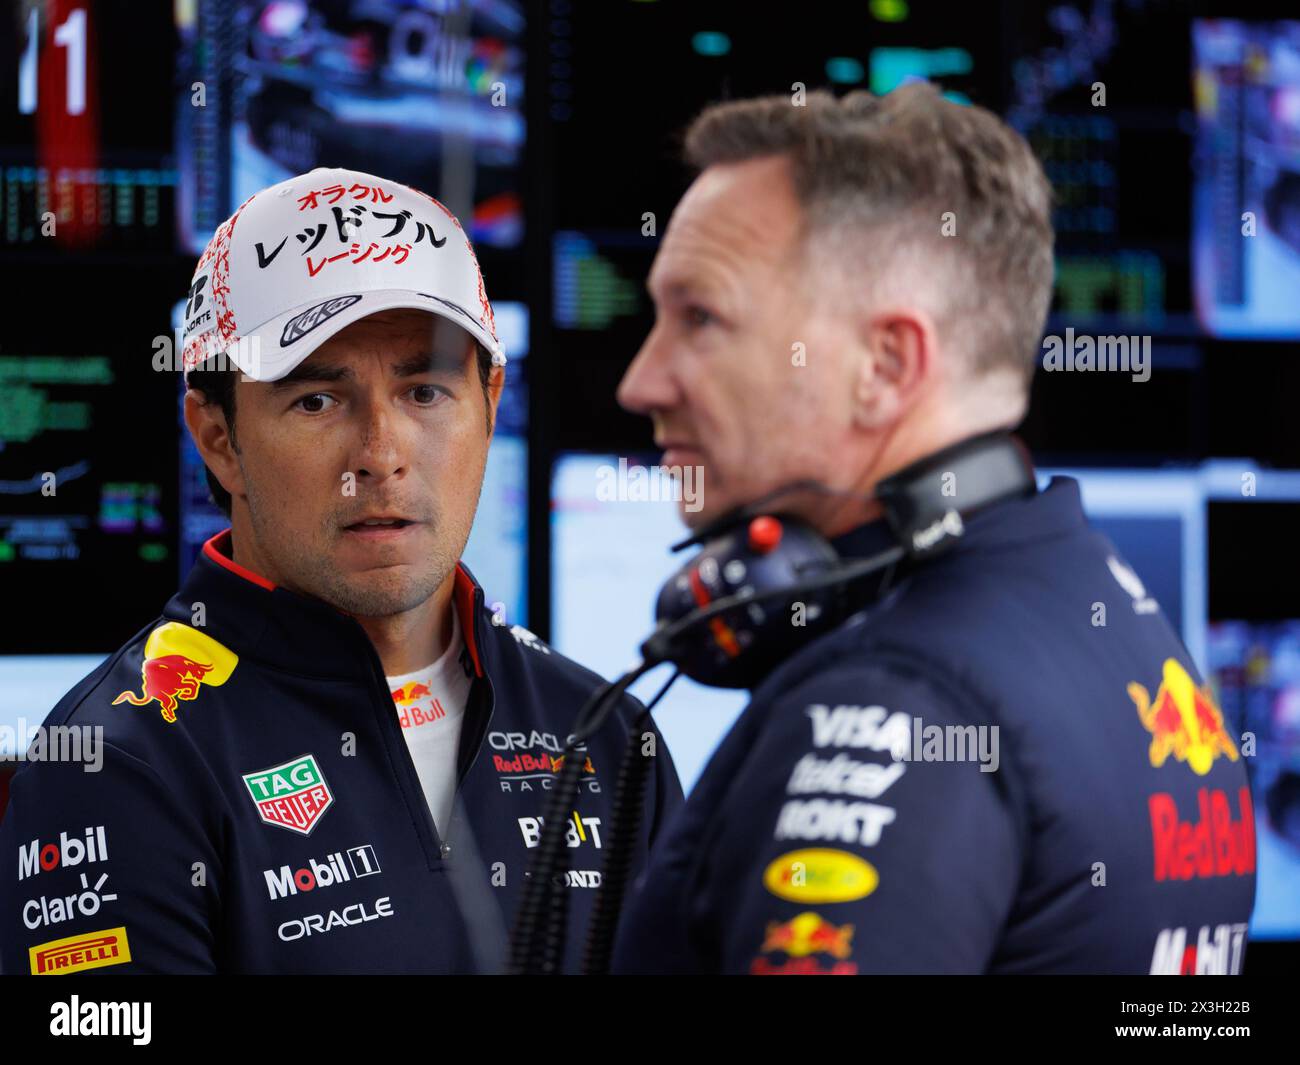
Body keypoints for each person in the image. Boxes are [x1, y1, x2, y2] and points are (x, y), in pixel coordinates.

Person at [610, 86, 1255, 975]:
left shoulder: (894, 707)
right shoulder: (1114, 626)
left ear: (885, 367)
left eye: (701, 318)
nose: (640, 382)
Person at [0, 166, 681, 975]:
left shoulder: (604, 734)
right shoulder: (120, 763)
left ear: (491, 405)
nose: (382, 456)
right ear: (217, 436)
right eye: (317, 401)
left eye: (425, 392)